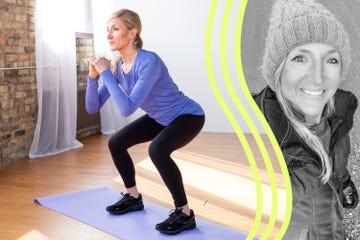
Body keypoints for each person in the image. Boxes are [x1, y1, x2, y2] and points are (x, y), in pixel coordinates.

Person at [85, 9, 205, 235]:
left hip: (187, 116)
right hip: (160, 118)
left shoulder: (149, 61)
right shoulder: (118, 66)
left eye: (116, 29)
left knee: (158, 149)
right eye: (107, 30)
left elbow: (127, 107)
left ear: (132, 33)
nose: (109, 35)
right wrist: (93, 78)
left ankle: (185, 213)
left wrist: (106, 75)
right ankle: (132, 197)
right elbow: (92, 107)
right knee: (116, 143)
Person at [252, 0, 359, 239]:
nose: (318, 77)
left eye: (331, 59)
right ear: (278, 69)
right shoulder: (254, 139)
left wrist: (343, 182)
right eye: (301, 58)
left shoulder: (337, 114)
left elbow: (337, 159)